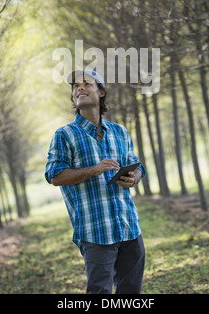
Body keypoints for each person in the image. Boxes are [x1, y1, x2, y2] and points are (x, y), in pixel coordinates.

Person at [45, 69, 145, 294]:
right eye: (75, 86)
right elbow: (55, 176)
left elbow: (138, 167)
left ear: (101, 92)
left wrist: (133, 178)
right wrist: (94, 170)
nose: (79, 88)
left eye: (86, 84)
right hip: (95, 231)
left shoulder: (120, 132)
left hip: (129, 227)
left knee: (131, 293)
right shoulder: (65, 135)